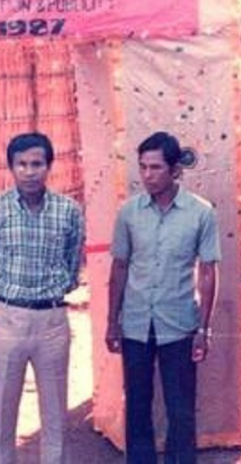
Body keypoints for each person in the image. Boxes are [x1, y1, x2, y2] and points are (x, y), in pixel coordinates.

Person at [106, 132, 220, 464]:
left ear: (175, 170)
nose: (147, 175)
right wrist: (112, 322)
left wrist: (203, 329)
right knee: (137, 406)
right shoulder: (129, 213)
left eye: (155, 167)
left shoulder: (201, 213)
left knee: (181, 410)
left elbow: (208, 271)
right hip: (135, 324)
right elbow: (119, 267)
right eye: (143, 167)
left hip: (179, 324)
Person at [0, 132, 85, 464]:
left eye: (37, 163)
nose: (29, 171)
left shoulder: (68, 211)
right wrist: (9, 297)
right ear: (11, 167)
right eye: (21, 164)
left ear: (49, 166)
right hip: (9, 319)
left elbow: (72, 264)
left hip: (52, 321)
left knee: (55, 415)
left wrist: (51, 293)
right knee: (2, 414)